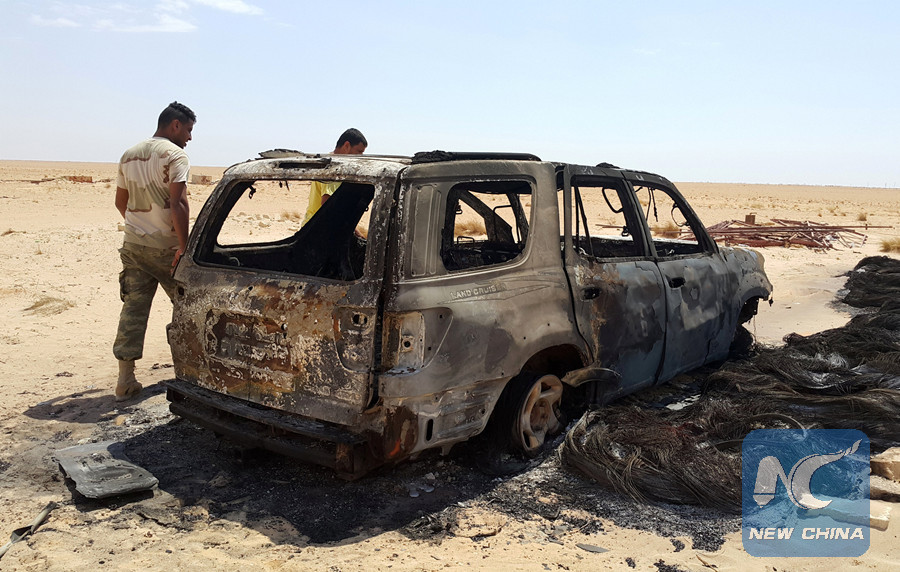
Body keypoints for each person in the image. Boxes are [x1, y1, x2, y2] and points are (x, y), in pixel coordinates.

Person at [112, 101, 196, 401]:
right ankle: (192, 373)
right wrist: (184, 249)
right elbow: (179, 203)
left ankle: (125, 380)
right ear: (174, 125)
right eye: (187, 130)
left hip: (134, 246)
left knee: (133, 310)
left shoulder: (129, 154)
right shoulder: (175, 155)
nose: (189, 137)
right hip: (167, 249)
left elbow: (121, 203)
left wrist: (140, 227)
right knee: (189, 310)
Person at [301, 128, 367, 225]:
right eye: (359, 151)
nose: (360, 156)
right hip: (317, 230)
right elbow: (328, 207)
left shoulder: (327, 162)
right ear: (347, 146)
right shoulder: (333, 168)